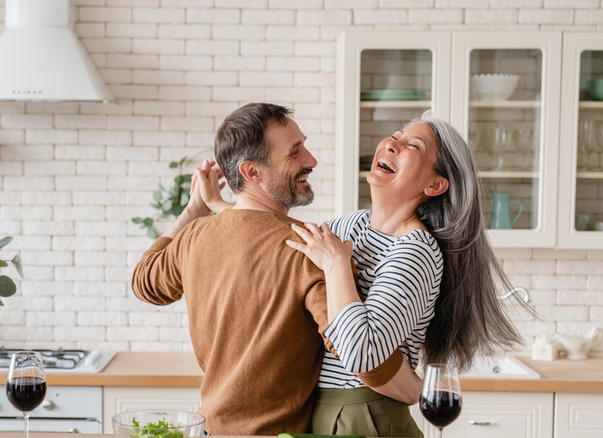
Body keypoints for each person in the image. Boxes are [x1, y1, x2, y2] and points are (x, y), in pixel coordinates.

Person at [196, 110, 525, 437]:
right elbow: (282, 240)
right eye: (395, 136)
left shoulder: (416, 251)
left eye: (414, 146)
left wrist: (338, 266)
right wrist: (218, 204)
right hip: (322, 410)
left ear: (435, 184)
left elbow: (363, 354)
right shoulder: (351, 225)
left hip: (368, 415)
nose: (391, 145)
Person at [131, 103, 418, 436]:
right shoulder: (308, 249)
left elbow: (144, 282)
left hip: (208, 430)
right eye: (295, 153)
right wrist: (417, 390)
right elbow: (360, 353)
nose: (311, 160)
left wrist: (193, 209)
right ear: (252, 173)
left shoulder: (195, 236)